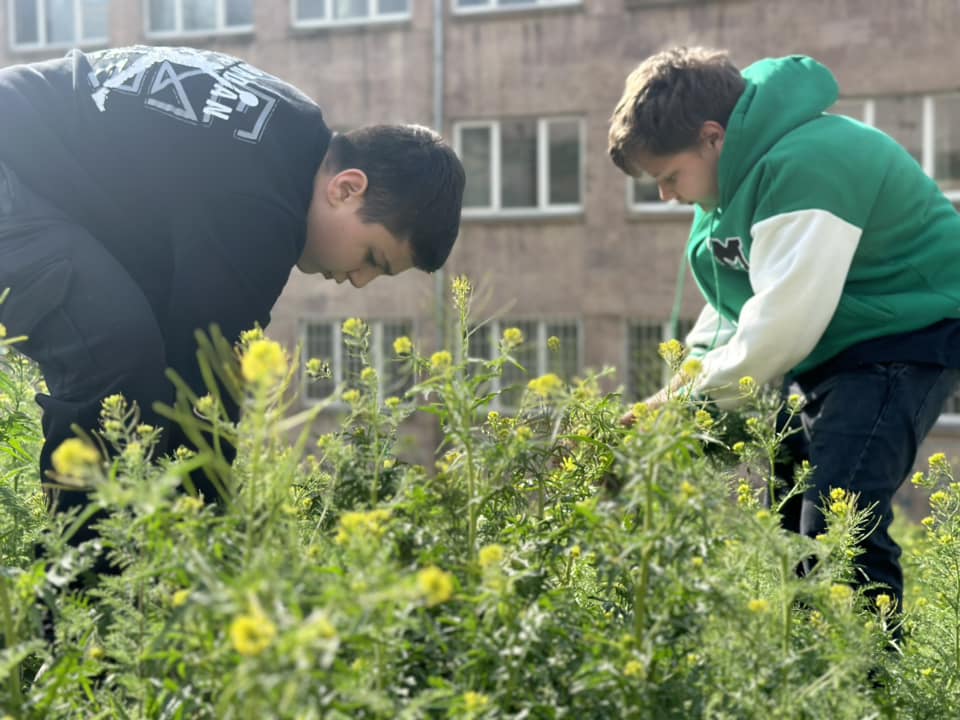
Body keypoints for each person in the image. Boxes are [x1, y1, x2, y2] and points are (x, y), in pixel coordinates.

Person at [0, 45, 465, 542]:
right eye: (373, 258)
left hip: (30, 180)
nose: (358, 281)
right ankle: (81, 599)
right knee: (111, 352)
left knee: (132, 340)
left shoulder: (288, 134)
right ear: (347, 188)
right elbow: (206, 397)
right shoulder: (259, 207)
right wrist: (211, 549)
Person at [608, 46, 960, 614]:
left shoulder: (809, 162)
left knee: (836, 524)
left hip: (903, 332)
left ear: (712, 136)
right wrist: (668, 396)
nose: (666, 195)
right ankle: (813, 678)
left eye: (669, 176)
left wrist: (678, 401)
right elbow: (732, 311)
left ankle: (864, 694)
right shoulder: (730, 181)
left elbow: (781, 326)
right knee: (793, 523)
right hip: (830, 344)